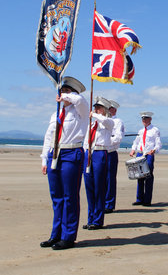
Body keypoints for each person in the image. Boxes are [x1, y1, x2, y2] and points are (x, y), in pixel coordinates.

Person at [40, 76, 89, 250]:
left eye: (67, 92)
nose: (64, 95)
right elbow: (49, 136)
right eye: (62, 91)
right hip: (55, 153)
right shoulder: (56, 113)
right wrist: (44, 158)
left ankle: (68, 236)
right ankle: (56, 234)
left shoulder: (80, 111)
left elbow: (81, 100)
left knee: (70, 197)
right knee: (57, 197)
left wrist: (67, 96)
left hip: (71, 152)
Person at [83, 96, 114, 230]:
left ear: (105, 110)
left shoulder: (108, 122)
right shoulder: (92, 123)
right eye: (95, 107)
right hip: (89, 153)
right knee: (89, 187)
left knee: (99, 187)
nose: (96, 110)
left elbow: (105, 121)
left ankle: (97, 219)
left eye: (99, 108)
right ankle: (91, 218)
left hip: (100, 153)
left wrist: (95, 115)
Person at [130, 111, 161, 206]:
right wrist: (132, 150)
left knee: (148, 176)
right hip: (140, 154)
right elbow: (136, 142)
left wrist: (154, 150)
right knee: (139, 176)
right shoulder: (140, 131)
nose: (144, 120)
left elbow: (158, 143)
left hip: (148, 155)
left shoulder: (155, 130)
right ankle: (139, 199)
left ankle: (147, 200)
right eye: (143, 119)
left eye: (146, 118)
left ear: (150, 119)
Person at [105, 99, 124, 214]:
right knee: (100, 179)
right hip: (99, 152)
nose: (108, 110)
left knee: (110, 179)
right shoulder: (103, 120)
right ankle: (102, 202)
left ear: (114, 110)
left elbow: (118, 138)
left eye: (110, 108)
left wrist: (105, 142)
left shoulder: (118, 121)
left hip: (110, 152)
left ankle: (109, 204)